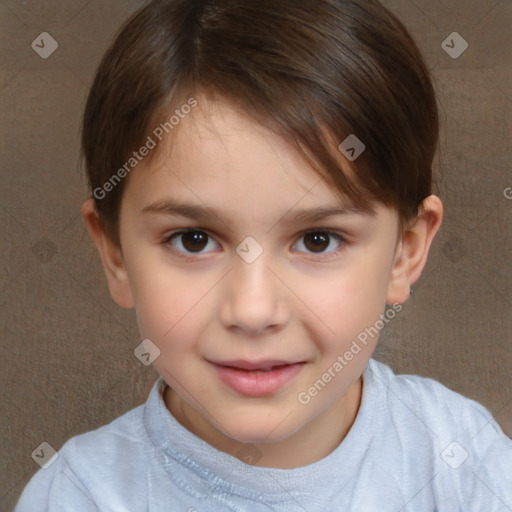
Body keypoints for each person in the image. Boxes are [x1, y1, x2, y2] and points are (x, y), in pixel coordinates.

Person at [14, 0, 512, 510]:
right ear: (115, 253)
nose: (253, 311)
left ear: (405, 252)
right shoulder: (78, 496)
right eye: (194, 240)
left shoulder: (461, 462)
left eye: (318, 240)